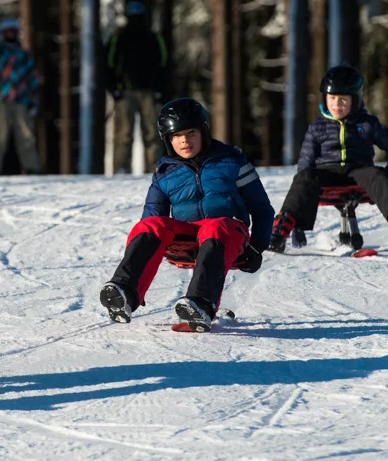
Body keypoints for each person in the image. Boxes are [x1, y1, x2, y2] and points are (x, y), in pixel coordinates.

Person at [99, 97, 274, 331]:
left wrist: (257, 246)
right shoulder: (165, 174)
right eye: (177, 136)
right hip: (188, 238)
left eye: (191, 133)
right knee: (149, 225)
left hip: (229, 235)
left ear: (203, 132)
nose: (185, 141)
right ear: (168, 140)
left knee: (216, 226)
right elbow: (151, 222)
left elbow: (262, 208)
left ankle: (201, 302)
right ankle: (125, 293)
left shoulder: (232, 161)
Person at [270, 64, 388, 252]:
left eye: (343, 99)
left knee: (377, 174)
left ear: (354, 101)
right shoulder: (317, 127)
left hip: (359, 172)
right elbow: (305, 164)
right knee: (303, 177)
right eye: (332, 98)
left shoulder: (366, 124)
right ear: (325, 98)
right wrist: (300, 223)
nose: (336, 104)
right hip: (326, 175)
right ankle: (282, 229)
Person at [105, 0, 169, 174]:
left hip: (149, 93)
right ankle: (120, 170)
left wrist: (160, 90)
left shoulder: (154, 37)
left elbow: (164, 65)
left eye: (138, 8)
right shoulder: (118, 38)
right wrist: (113, 89)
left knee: (152, 134)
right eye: (131, 8)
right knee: (123, 134)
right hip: (125, 93)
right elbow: (108, 65)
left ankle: (156, 169)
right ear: (125, 11)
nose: (134, 12)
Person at [0, 17, 41, 175]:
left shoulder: (24, 56)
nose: (10, 35)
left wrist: (35, 102)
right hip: (0, 101)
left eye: (12, 32)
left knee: (26, 137)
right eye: (7, 33)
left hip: (22, 101)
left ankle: (31, 168)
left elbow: (33, 79)